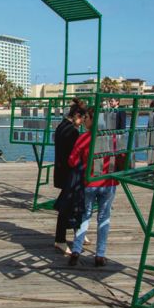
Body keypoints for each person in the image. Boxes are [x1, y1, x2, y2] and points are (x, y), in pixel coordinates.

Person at [67, 106, 118, 267]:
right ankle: (100, 254)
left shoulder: (83, 138)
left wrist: (83, 164)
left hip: (89, 182)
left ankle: (76, 250)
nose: (84, 120)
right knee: (104, 218)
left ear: (92, 120)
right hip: (108, 182)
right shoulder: (112, 137)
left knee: (85, 216)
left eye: (86, 118)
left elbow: (72, 161)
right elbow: (122, 156)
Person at [52, 100, 86, 256]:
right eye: (82, 119)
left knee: (72, 204)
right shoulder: (72, 131)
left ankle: (78, 232)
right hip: (70, 173)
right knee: (67, 206)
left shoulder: (61, 126)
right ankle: (61, 239)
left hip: (62, 170)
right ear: (77, 115)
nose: (83, 122)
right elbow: (75, 155)